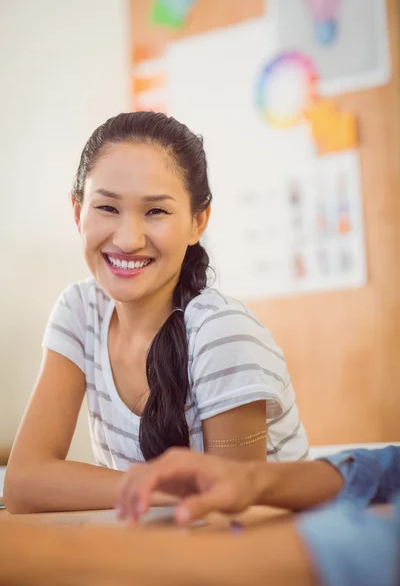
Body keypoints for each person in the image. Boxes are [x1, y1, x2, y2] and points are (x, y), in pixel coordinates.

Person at [4, 111, 308, 514]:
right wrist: (164, 493)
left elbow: (229, 517)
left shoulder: (223, 334)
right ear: (78, 213)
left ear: (198, 221)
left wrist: (142, 496)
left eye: (156, 212)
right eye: (108, 208)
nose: (128, 239)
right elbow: (25, 483)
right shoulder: (79, 311)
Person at [1, 445, 398, 586]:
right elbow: (388, 467)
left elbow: (379, 550)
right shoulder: (77, 307)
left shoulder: (218, 326)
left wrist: (63, 554)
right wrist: (254, 479)